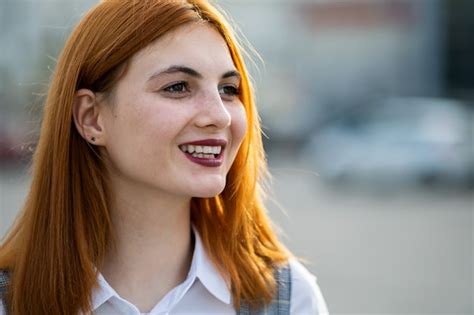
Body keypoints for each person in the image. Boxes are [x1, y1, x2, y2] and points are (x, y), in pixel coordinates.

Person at [0, 0, 329, 314]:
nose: (221, 116)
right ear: (91, 118)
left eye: (228, 90)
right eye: (178, 87)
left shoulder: (288, 300)